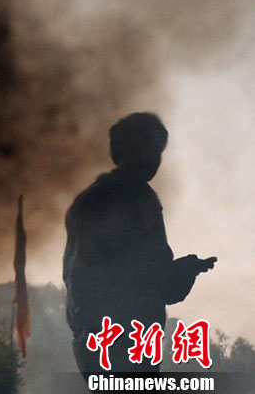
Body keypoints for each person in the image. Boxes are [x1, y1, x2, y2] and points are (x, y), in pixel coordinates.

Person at [63, 112, 216, 375]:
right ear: (127, 151)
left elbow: (155, 281)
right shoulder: (124, 201)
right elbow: (152, 281)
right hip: (119, 344)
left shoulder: (112, 199)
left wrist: (188, 268)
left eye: (157, 152)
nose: (154, 159)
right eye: (149, 149)